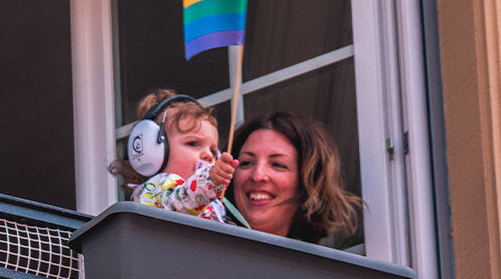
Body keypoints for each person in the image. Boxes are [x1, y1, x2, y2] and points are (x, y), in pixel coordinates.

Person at [230, 111, 360, 243]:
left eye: (278, 165)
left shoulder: (314, 264)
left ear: (308, 183)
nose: (257, 176)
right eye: (246, 162)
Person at [112, 89, 237, 221]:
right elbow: (183, 200)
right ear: (152, 151)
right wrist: (210, 180)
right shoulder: (155, 190)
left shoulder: (210, 202)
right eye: (193, 143)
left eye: (213, 150)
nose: (208, 155)